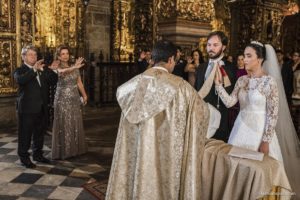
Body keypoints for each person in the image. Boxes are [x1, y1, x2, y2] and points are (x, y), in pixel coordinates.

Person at [106, 40, 210, 199]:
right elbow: (201, 111)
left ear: (153, 59)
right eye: (175, 60)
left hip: (136, 150)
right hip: (164, 154)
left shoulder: (133, 84)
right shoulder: (180, 87)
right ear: (170, 60)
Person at [215, 42, 300, 199]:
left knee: (261, 175)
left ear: (259, 59)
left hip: (259, 134)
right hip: (240, 131)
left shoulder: (269, 82)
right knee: (237, 171)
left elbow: (272, 114)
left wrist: (266, 141)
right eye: (244, 56)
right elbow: (230, 102)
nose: (244, 60)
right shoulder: (242, 80)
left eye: (249, 56)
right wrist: (219, 86)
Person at [14, 45, 58, 168]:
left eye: (35, 55)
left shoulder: (41, 69)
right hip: (27, 109)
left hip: (41, 108)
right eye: (30, 54)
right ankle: (24, 157)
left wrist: (53, 70)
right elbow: (21, 80)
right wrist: (33, 69)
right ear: (23, 57)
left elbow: (53, 81)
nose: (34, 57)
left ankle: (38, 154)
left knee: (39, 133)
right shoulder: (19, 70)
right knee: (25, 135)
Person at [194, 31, 236, 142]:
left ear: (223, 47)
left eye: (215, 45)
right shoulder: (201, 67)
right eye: (209, 45)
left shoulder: (230, 68)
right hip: (201, 117)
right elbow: (197, 91)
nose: (211, 48)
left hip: (220, 120)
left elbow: (230, 96)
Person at [51, 45, 87, 160]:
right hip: (62, 99)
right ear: (59, 56)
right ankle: (64, 151)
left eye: (67, 53)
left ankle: (75, 149)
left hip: (74, 98)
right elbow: (62, 72)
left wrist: (84, 95)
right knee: (64, 123)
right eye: (63, 54)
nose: (65, 56)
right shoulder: (56, 66)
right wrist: (75, 67)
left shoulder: (74, 67)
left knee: (74, 122)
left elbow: (79, 83)